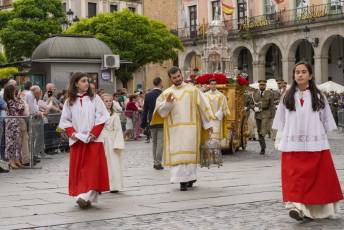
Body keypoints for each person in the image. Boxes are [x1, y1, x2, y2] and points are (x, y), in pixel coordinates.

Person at [272, 61, 343, 221]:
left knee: (316, 178)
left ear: (310, 75)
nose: (300, 74)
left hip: (315, 145)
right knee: (295, 178)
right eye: (297, 72)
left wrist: (315, 136)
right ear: (294, 75)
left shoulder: (319, 96)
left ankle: (314, 209)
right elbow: (280, 122)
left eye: (304, 72)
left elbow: (326, 121)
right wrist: (281, 139)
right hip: (292, 145)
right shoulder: (287, 96)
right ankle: (296, 207)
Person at [151, 66, 214, 191]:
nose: (177, 79)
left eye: (179, 76)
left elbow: (203, 107)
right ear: (170, 79)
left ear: (181, 75)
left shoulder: (193, 90)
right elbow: (162, 112)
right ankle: (181, 181)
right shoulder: (166, 93)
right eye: (174, 78)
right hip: (175, 130)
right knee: (178, 156)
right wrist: (167, 103)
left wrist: (208, 124)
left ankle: (190, 178)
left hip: (191, 128)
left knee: (189, 156)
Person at [58, 72, 110, 209]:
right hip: (77, 140)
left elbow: (103, 116)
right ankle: (83, 195)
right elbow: (65, 120)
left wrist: (94, 133)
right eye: (83, 81)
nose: (87, 83)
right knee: (80, 170)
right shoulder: (69, 101)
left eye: (87, 81)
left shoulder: (95, 98)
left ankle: (86, 196)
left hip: (94, 140)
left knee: (93, 170)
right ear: (76, 83)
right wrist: (72, 133)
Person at [99, 94, 125, 193]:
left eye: (110, 101)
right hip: (101, 141)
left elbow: (118, 130)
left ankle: (113, 185)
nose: (109, 103)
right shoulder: (98, 114)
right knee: (102, 164)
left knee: (113, 163)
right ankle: (100, 185)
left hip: (111, 142)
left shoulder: (115, 116)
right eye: (106, 101)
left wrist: (118, 144)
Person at [141, 77, 164, 170]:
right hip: (161, 120)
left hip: (151, 121)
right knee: (160, 143)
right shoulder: (163, 94)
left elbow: (145, 110)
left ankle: (155, 161)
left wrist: (143, 123)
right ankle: (158, 162)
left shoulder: (148, 95)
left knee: (154, 142)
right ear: (160, 83)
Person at [249, 80, 275, 155]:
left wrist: (273, 116)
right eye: (261, 85)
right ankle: (263, 147)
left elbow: (272, 105)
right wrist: (254, 108)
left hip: (266, 113)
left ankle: (263, 144)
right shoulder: (255, 94)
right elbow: (250, 103)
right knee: (259, 131)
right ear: (259, 86)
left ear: (265, 86)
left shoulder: (269, 93)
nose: (262, 86)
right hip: (258, 114)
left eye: (263, 85)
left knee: (262, 131)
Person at [4, 84, 26, 169]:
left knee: (16, 142)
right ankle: (11, 161)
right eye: (14, 90)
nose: (15, 91)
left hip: (15, 123)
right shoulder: (10, 101)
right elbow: (20, 108)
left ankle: (16, 160)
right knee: (11, 143)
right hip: (11, 124)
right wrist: (20, 98)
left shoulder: (12, 100)